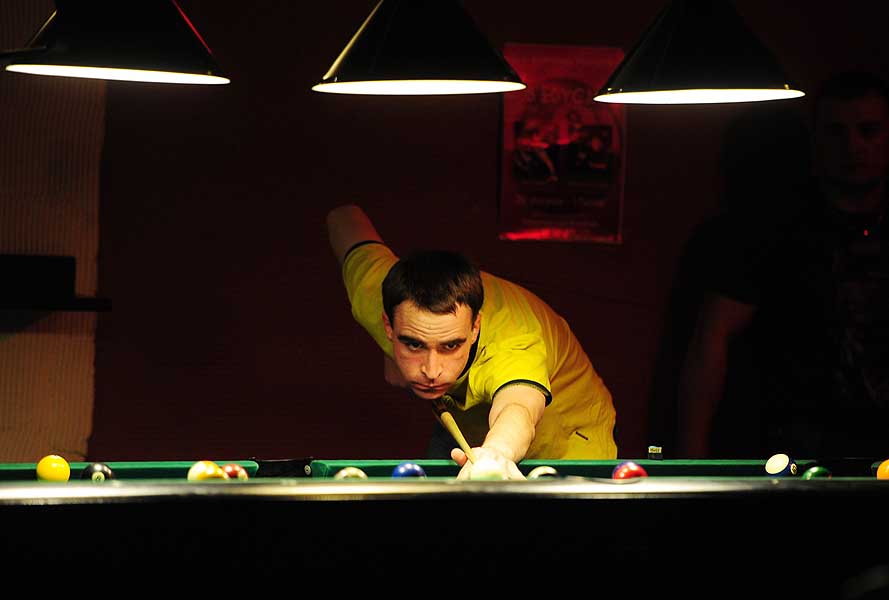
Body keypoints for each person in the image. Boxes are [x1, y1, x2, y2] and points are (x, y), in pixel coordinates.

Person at [677, 70, 889, 459]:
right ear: (815, 139)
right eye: (836, 132)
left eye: (868, 131)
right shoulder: (769, 227)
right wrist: (692, 461)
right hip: (788, 458)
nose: (852, 146)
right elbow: (711, 341)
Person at [326, 204, 617, 479]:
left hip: (566, 437)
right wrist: (390, 352)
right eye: (414, 344)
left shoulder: (513, 341)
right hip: (468, 424)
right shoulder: (376, 294)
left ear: (475, 327)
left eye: (450, 345)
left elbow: (519, 409)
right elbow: (344, 218)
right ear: (388, 325)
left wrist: (498, 452)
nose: (431, 370)